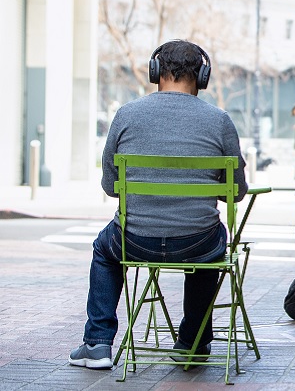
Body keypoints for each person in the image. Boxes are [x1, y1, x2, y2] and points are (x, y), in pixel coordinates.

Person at [68, 40, 249, 369]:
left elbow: (111, 187)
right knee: (211, 246)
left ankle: (97, 343)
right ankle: (192, 343)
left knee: (104, 249)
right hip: (197, 243)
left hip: (134, 240)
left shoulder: (126, 114)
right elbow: (235, 192)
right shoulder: (220, 120)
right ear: (203, 76)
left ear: (155, 72)